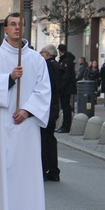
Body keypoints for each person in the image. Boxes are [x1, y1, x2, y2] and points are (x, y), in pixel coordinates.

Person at [0, 13, 51, 210]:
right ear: (5, 30)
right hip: (1, 124)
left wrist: (27, 110)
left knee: (25, 172)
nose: (17, 28)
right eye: (13, 24)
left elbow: (44, 90)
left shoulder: (36, 59)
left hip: (26, 126)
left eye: (21, 25)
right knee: (0, 170)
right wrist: (9, 78)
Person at [39, 43, 62, 182]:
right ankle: (53, 170)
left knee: (43, 140)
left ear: (47, 54)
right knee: (50, 139)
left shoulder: (47, 67)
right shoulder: (58, 67)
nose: (40, 56)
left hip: (46, 107)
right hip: (54, 106)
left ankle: (44, 168)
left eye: (41, 53)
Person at [56, 43, 76, 133]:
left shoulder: (66, 60)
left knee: (66, 107)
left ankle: (66, 126)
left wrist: (61, 86)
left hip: (66, 88)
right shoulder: (67, 59)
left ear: (60, 51)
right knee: (65, 107)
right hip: (67, 87)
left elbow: (66, 75)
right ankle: (65, 125)